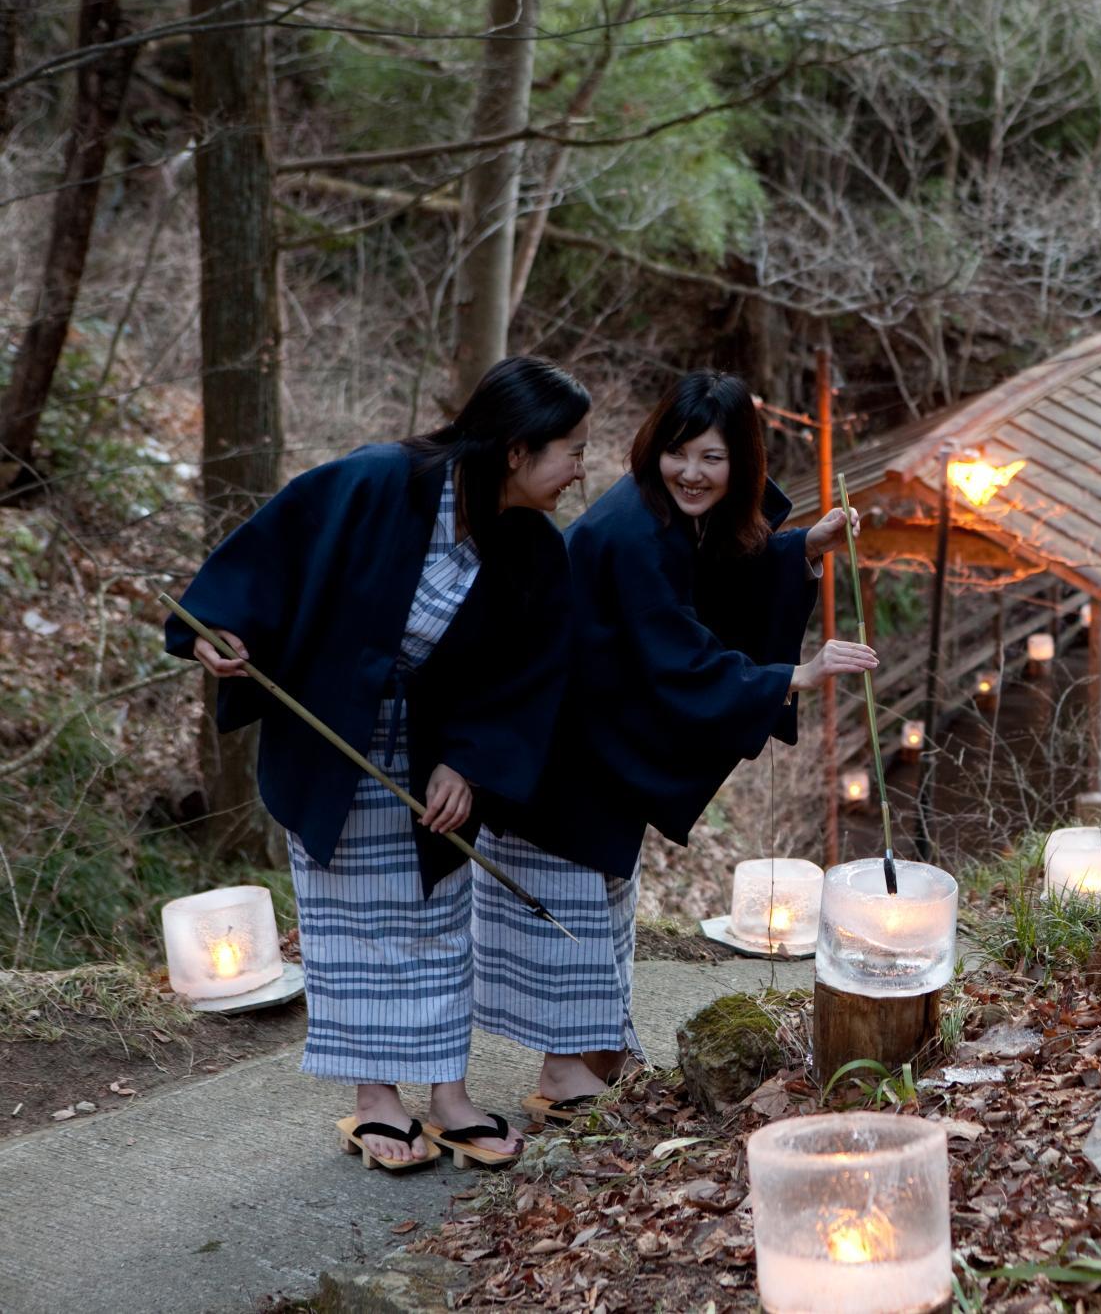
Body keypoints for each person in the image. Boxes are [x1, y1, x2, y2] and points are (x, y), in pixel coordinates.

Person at [165, 356, 591, 1170]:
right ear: (515, 450)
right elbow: (270, 554)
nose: (579, 469)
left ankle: (448, 1093)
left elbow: (533, 675)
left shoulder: (532, 547)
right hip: (334, 732)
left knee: (438, 912)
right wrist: (217, 633)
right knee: (349, 922)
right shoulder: (379, 480)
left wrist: (469, 764)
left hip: (436, 750)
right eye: (569, 450)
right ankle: (374, 1100)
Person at [477, 370, 875, 1124]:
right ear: (655, 447)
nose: (692, 472)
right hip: (555, 746)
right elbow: (677, 654)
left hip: (593, 744)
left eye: (713, 458)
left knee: (606, 900)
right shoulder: (631, 530)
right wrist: (794, 672)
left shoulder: (673, 517)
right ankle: (566, 1075)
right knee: (571, 907)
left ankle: (601, 1058)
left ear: (742, 465)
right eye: (679, 452)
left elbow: (722, 571)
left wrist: (799, 552)